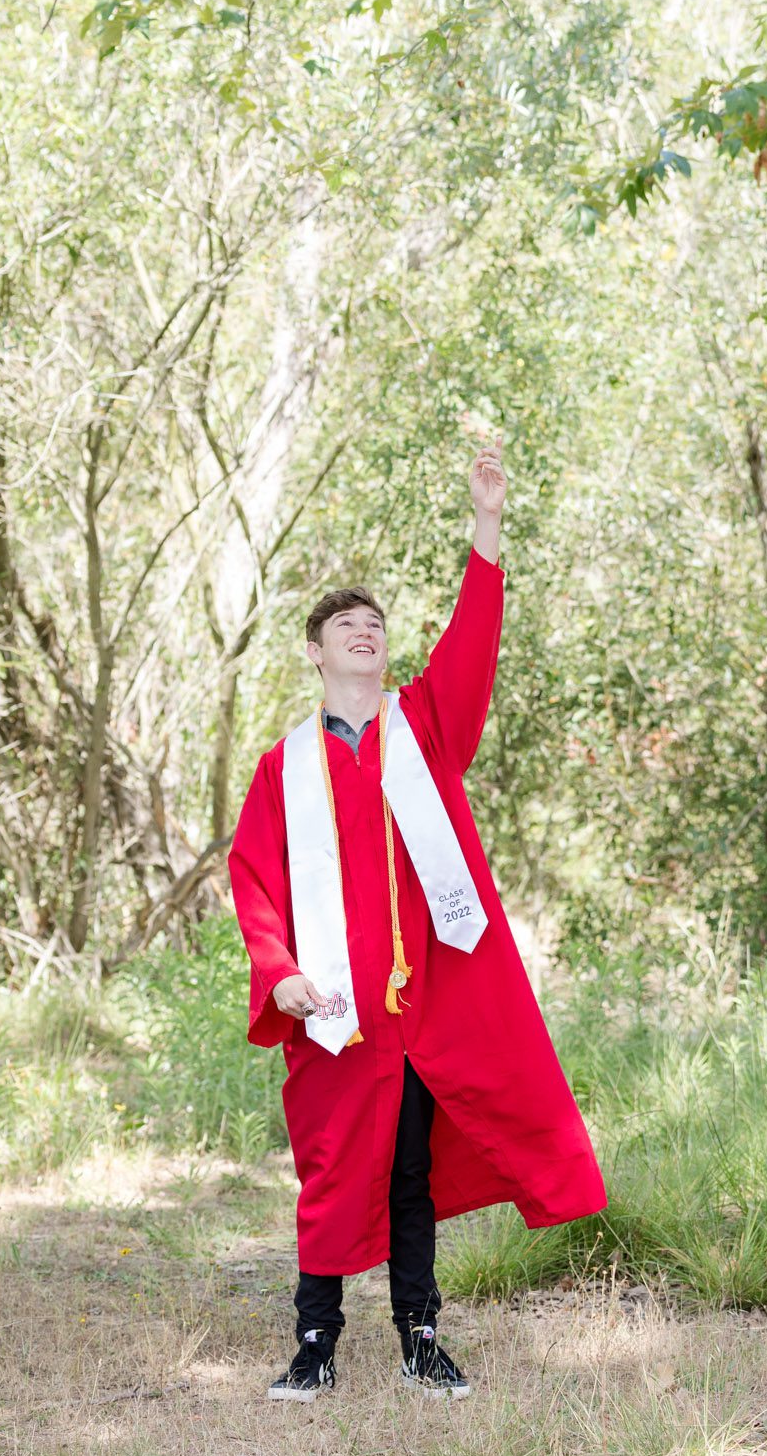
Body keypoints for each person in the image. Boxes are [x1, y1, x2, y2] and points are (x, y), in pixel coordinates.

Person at [228, 443, 607, 1401]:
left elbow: (471, 646)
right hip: (334, 1004)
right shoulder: (285, 769)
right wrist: (276, 972)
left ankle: (419, 1339)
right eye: (345, 625)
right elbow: (254, 879)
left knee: (410, 1179)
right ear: (314, 652)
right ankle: (314, 1343)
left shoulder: (425, 728)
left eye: (375, 624)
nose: (365, 631)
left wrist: (486, 526)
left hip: (425, 999)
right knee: (327, 1173)